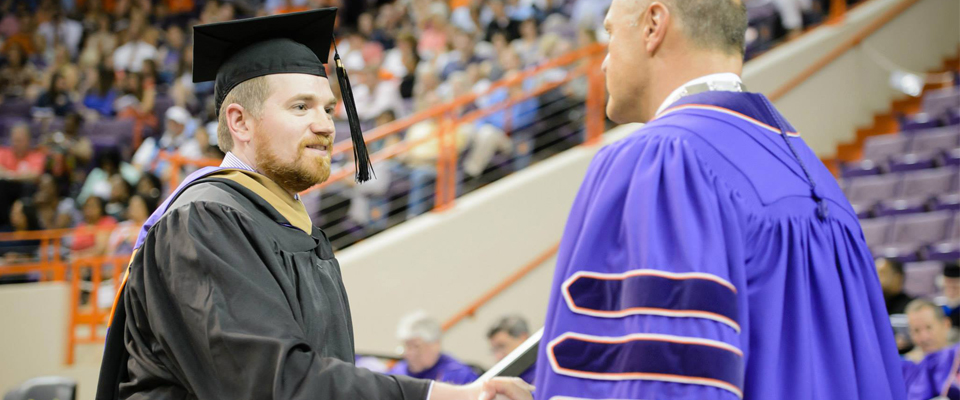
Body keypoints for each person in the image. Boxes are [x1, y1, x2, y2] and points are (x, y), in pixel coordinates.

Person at [96, 9, 532, 400]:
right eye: (301, 107)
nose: (326, 125)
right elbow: (273, 384)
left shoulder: (289, 226)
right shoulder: (204, 220)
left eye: (328, 108)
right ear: (240, 122)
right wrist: (443, 397)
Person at [534, 0, 905, 399]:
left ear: (653, 25)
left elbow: (669, 383)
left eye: (610, 35)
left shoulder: (666, 160)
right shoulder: (814, 176)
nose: (604, 64)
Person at [389, 311, 480, 385]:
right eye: (406, 346)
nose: (408, 353)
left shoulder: (458, 375)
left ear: (435, 345)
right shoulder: (397, 373)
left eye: (416, 346)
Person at [487, 315, 535, 384]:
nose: (498, 357)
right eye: (494, 350)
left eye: (502, 346)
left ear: (523, 337)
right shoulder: (506, 383)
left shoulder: (546, 369)